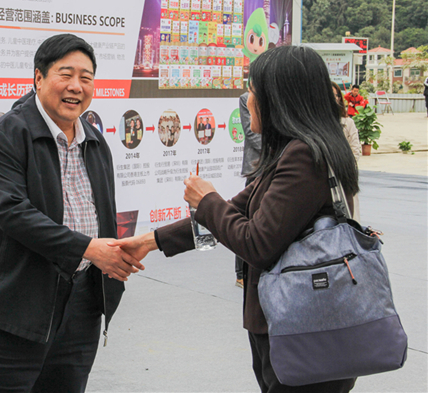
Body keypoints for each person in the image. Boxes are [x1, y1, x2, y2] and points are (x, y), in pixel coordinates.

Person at [113, 46, 359, 393]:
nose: (247, 100)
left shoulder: (304, 156)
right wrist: (149, 241)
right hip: (299, 324)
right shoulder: (294, 151)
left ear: (279, 99)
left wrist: (206, 199)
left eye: (253, 91)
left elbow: (257, 243)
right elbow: (237, 210)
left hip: (304, 329)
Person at [0, 34, 142, 393]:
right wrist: (89, 249)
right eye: (66, 74)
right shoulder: (6, 134)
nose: (76, 86)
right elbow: (13, 213)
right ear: (38, 77)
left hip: (81, 305)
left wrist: (112, 261)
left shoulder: (95, 141)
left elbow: (103, 215)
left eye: (86, 78)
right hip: (15, 308)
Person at [234, 90, 262, 288]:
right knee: (246, 218)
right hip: (257, 168)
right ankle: (240, 273)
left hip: (275, 167)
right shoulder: (246, 99)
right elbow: (252, 134)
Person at [333, 82, 362, 221]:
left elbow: (355, 150)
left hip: (344, 177)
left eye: (335, 95)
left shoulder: (347, 123)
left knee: (349, 219)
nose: (332, 99)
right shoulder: (315, 124)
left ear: (339, 98)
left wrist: (344, 169)